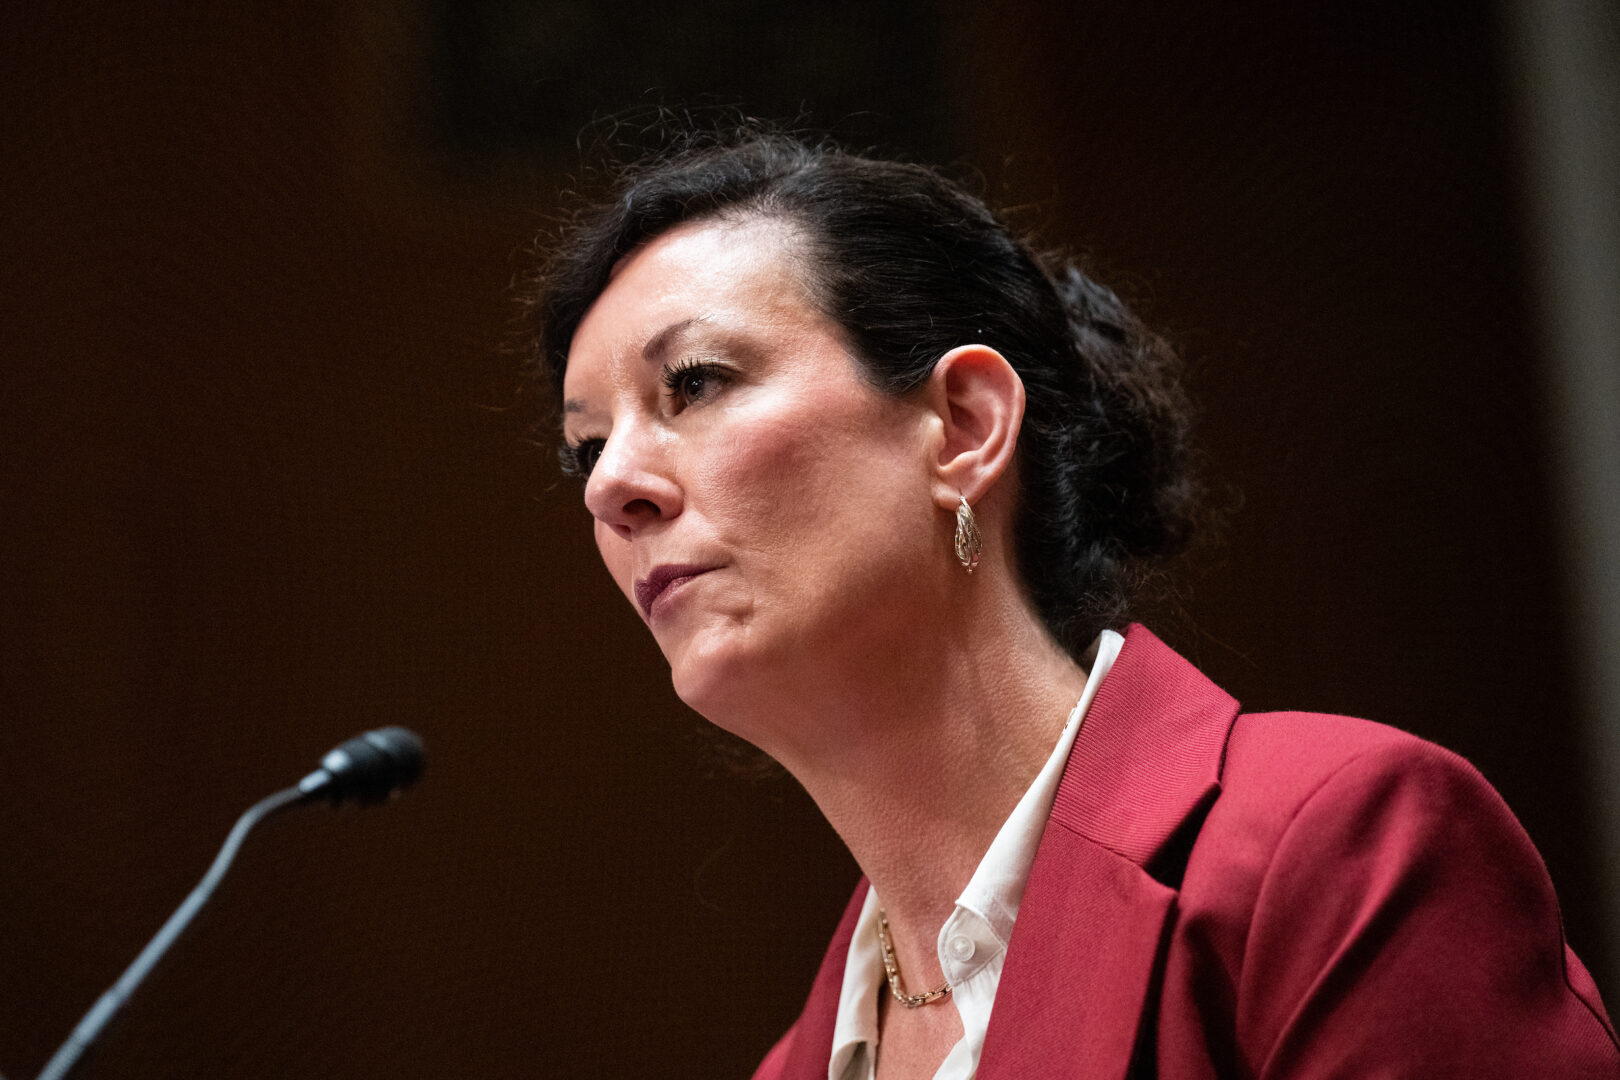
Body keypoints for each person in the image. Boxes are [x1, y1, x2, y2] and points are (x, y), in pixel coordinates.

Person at [531, 128, 1618, 1078]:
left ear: (962, 425)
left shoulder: (1332, 852)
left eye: (697, 382)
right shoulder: (802, 1062)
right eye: (586, 444)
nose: (612, 484)